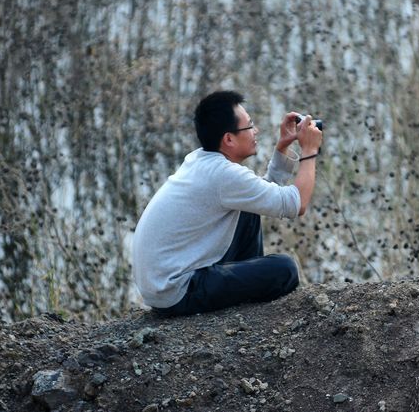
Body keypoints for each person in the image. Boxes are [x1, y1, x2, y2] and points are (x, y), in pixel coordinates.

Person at [132, 90, 323, 316]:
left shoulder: (201, 160)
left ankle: (248, 293)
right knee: (285, 270)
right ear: (229, 139)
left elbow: (262, 195)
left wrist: (282, 148)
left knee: (249, 209)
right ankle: (251, 300)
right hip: (177, 292)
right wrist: (309, 150)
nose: (256, 131)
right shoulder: (223, 175)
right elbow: (296, 204)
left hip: (164, 282)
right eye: (250, 126)